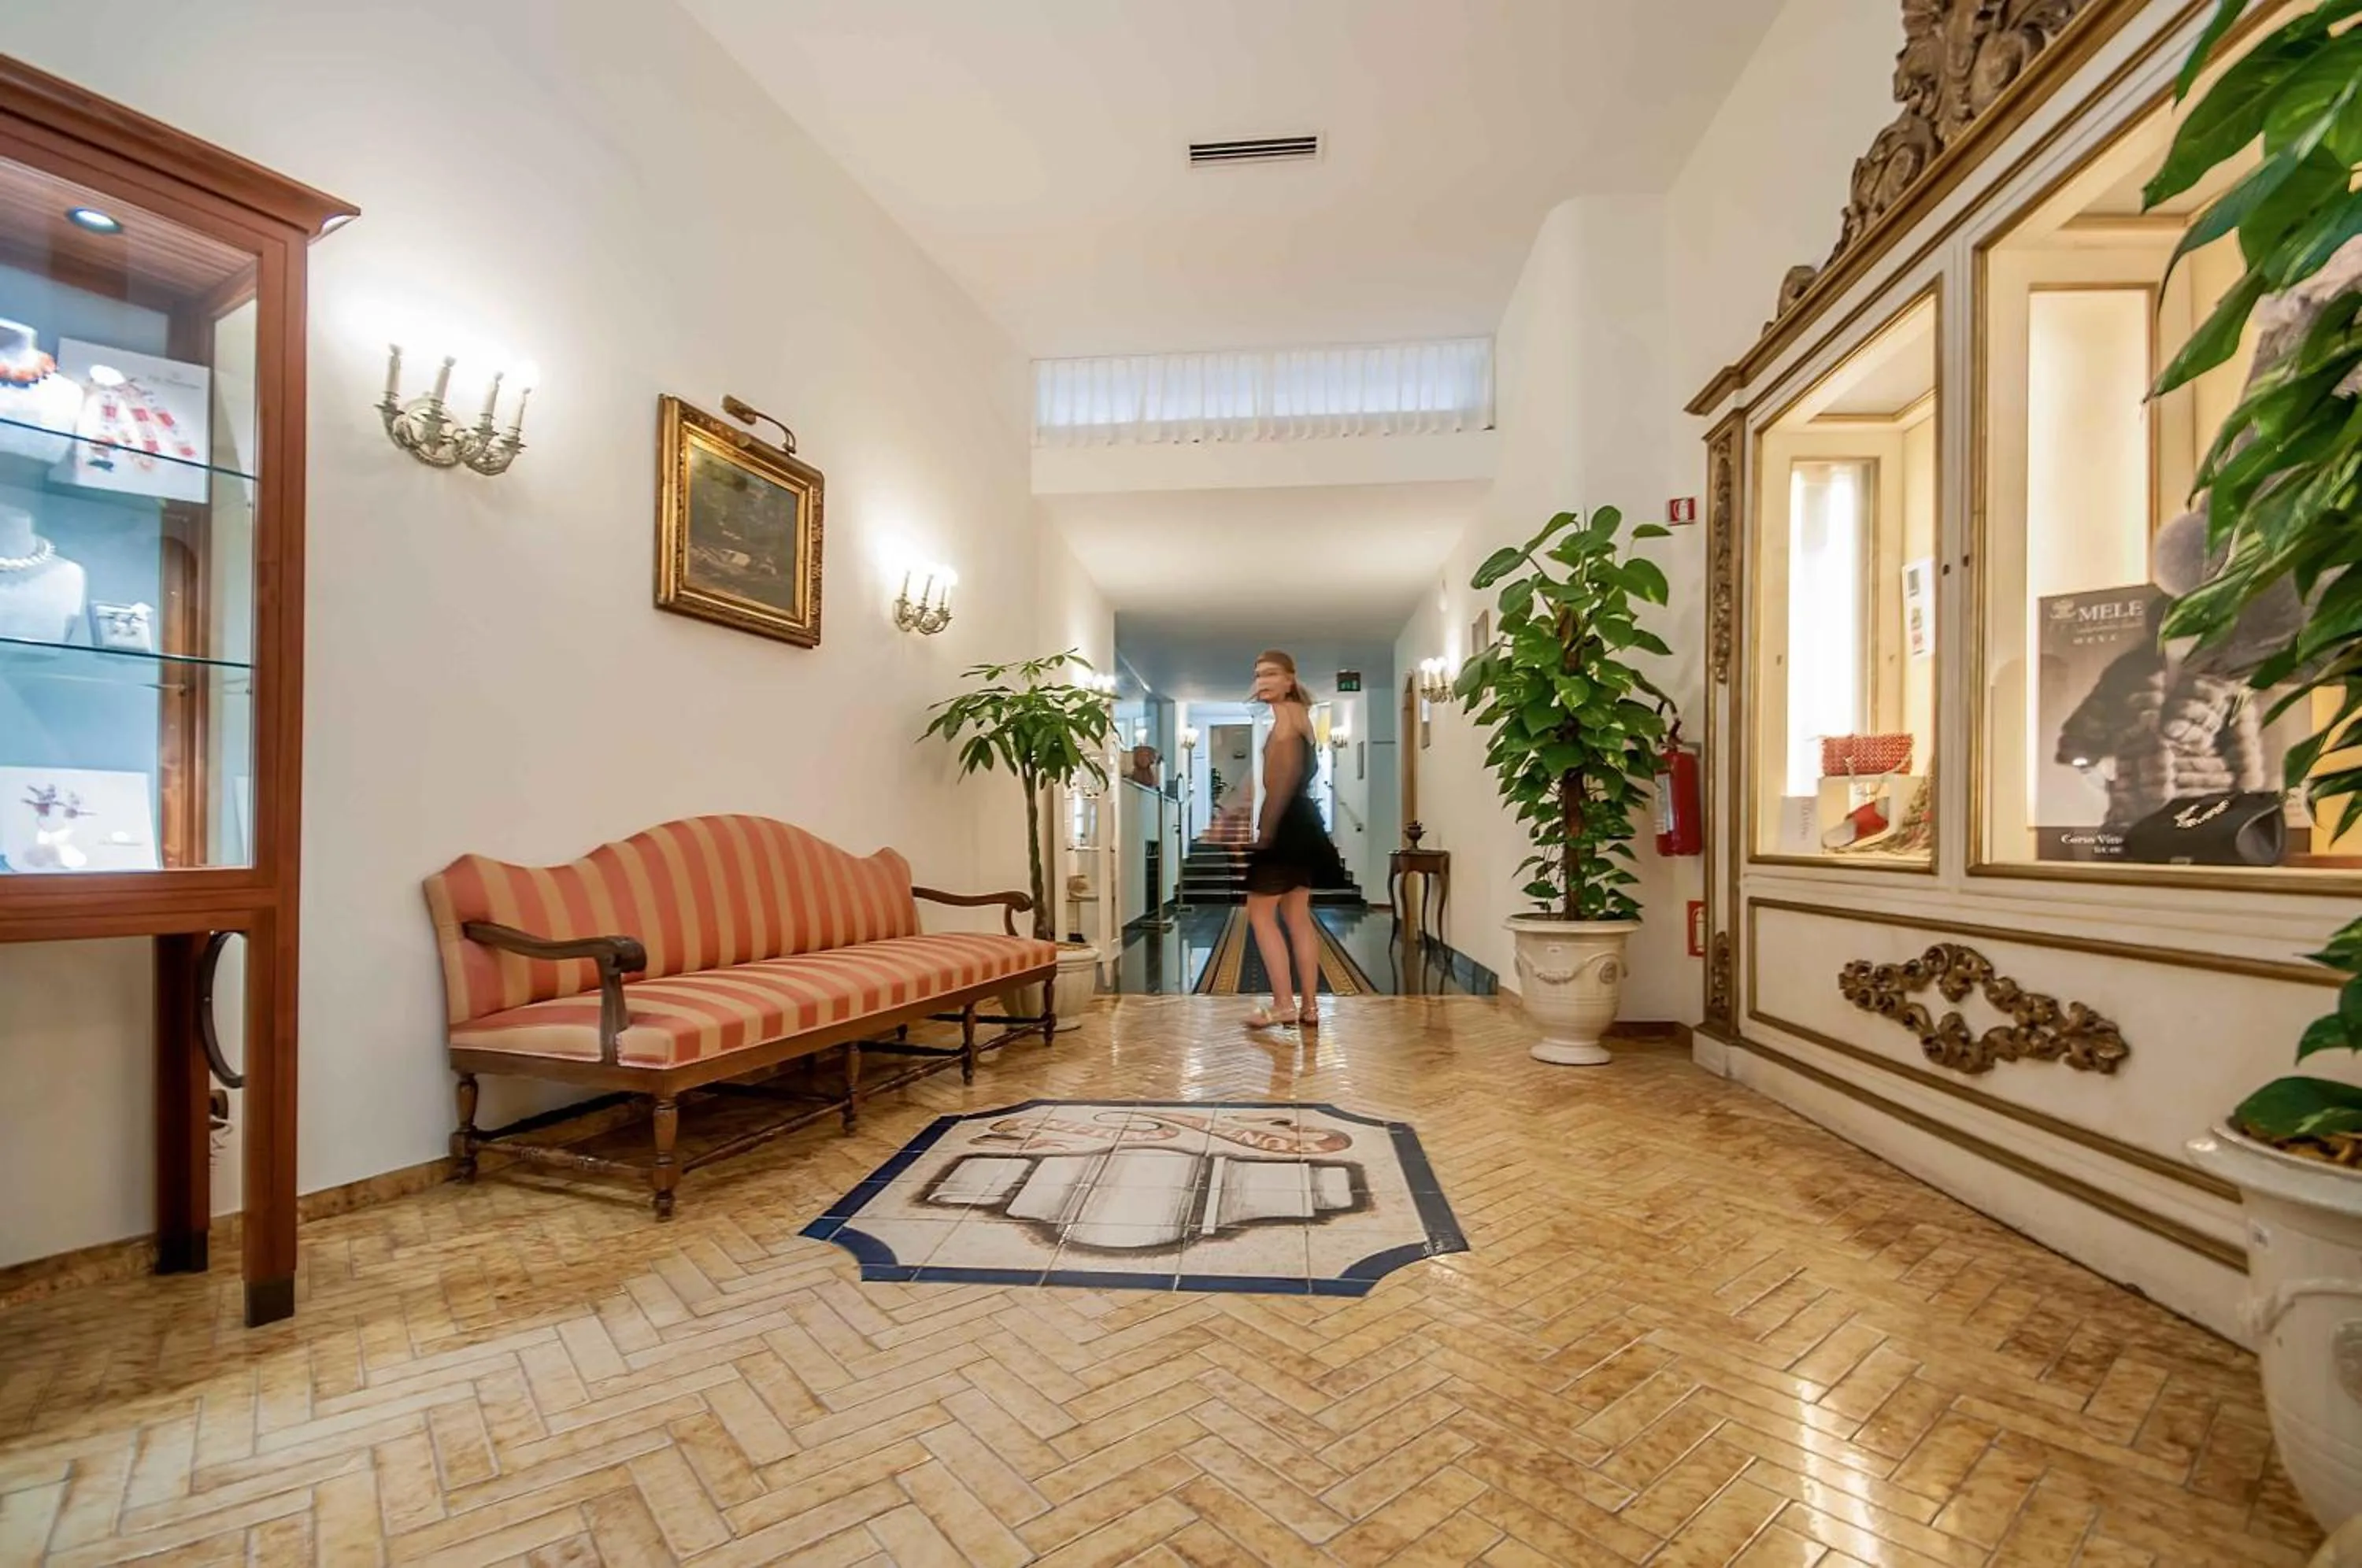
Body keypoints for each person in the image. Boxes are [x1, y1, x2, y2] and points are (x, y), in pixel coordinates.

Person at [1242, 649, 1349, 1030]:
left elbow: (1283, 781)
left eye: (1271, 674)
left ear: (1290, 678)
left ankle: (1284, 1004)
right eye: (1258, 675)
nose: (1263, 681)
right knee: (1297, 916)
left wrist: (1265, 834)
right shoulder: (1300, 716)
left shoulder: (1286, 718)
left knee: (1260, 914)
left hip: (1286, 825)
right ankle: (1309, 1007)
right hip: (1304, 823)